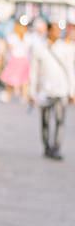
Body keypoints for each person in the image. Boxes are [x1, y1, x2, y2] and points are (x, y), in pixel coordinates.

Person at [34, 22, 72, 160]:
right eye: (54, 30)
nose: (57, 33)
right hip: (45, 91)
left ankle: (56, 147)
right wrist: (33, 91)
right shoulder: (40, 48)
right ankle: (46, 147)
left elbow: (69, 69)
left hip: (61, 90)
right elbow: (34, 71)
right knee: (45, 121)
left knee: (60, 120)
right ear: (48, 31)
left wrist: (72, 91)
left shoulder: (64, 48)